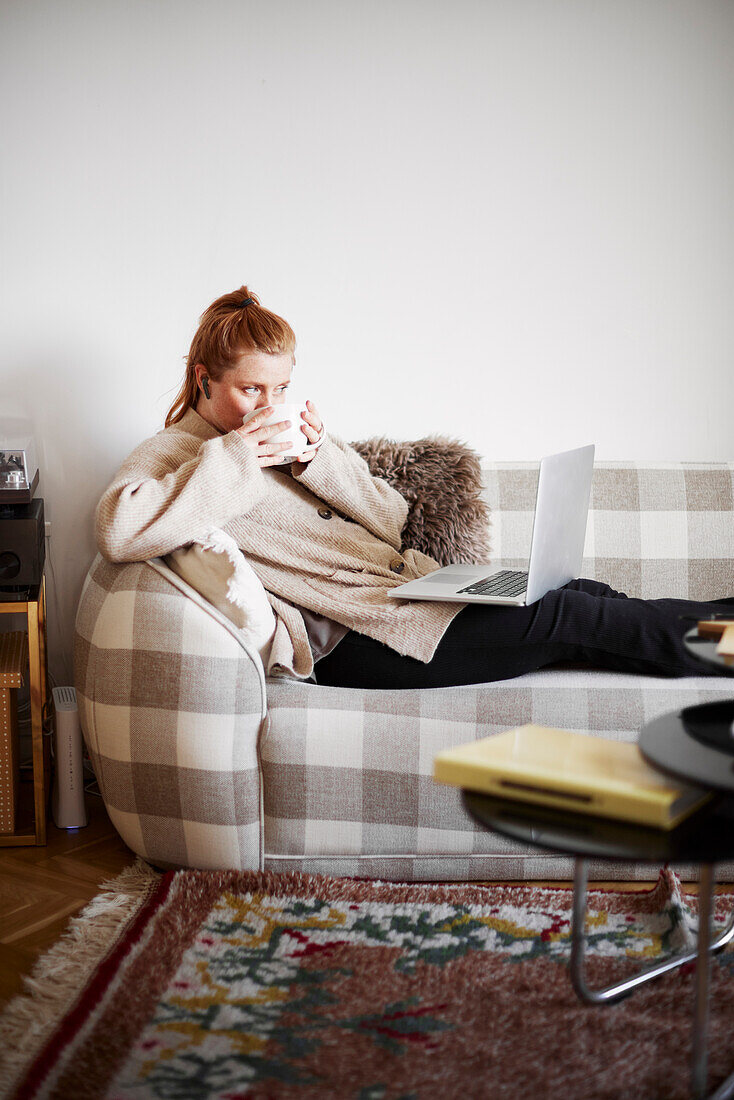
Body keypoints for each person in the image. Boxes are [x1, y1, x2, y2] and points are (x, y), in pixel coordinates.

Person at [96, 285, 733, 688]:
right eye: (251, 389)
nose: (269, 404)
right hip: (360, 639)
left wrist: (319, 459)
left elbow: (394, 519)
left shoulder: (291, 444)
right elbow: (118, 529)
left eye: (282, 387)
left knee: (579, 591)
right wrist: (237, 454)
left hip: (409, 593)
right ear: (204, 379)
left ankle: (716, 641)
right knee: (568, 613)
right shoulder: (174, 454)